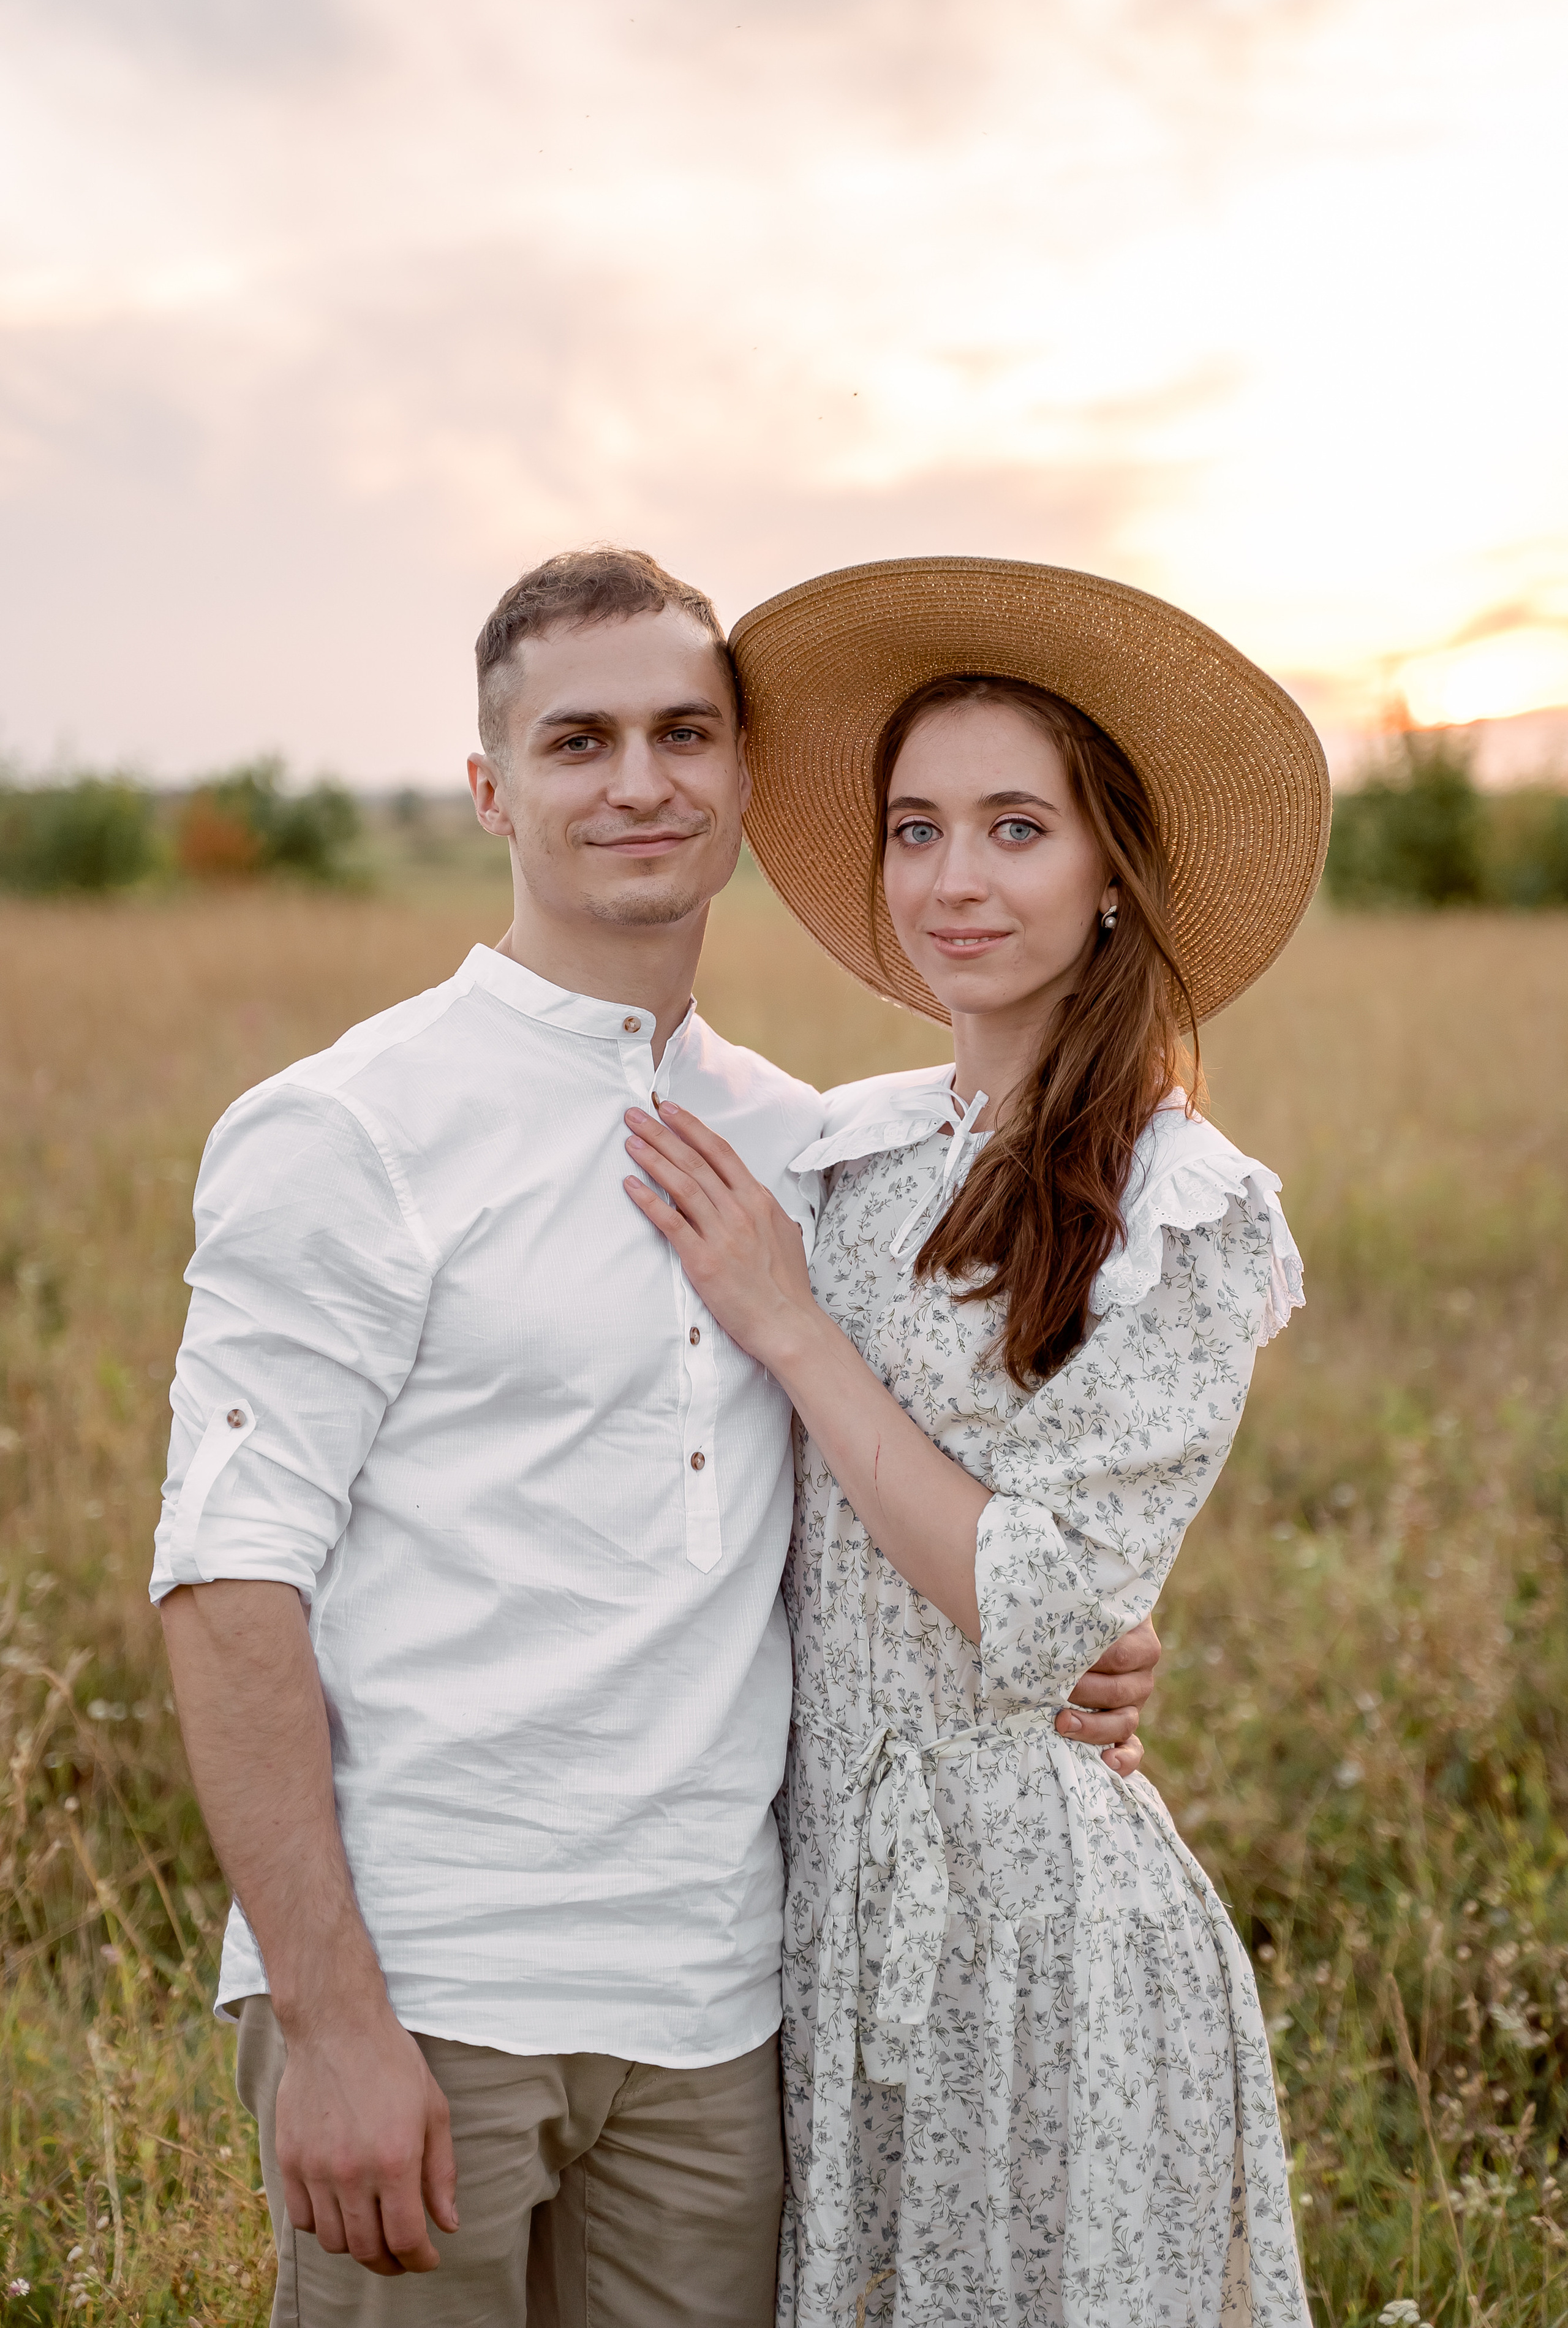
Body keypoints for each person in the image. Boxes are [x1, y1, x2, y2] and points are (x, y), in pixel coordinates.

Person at [151, 546, 1159, 2328]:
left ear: (746, 778)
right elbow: (229, 1584)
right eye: (579, 740)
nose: (641, 782)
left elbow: (895, 1493)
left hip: (723, 2003)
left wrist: (1080, 1636)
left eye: (686, 733)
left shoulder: (808, 1149)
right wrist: (331, 2022)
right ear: (491, 789)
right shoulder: (349, 1129)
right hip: (434, 1988)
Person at [619, 557, 1329, 2326]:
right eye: (917, 830)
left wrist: (793, 1327)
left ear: (1109, 874)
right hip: (816, 1907)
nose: (955, 880)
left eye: (1017, 830)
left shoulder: (1183, 1209)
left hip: (1039, 1938)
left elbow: (1038, 1608)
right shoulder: (844, 1155)